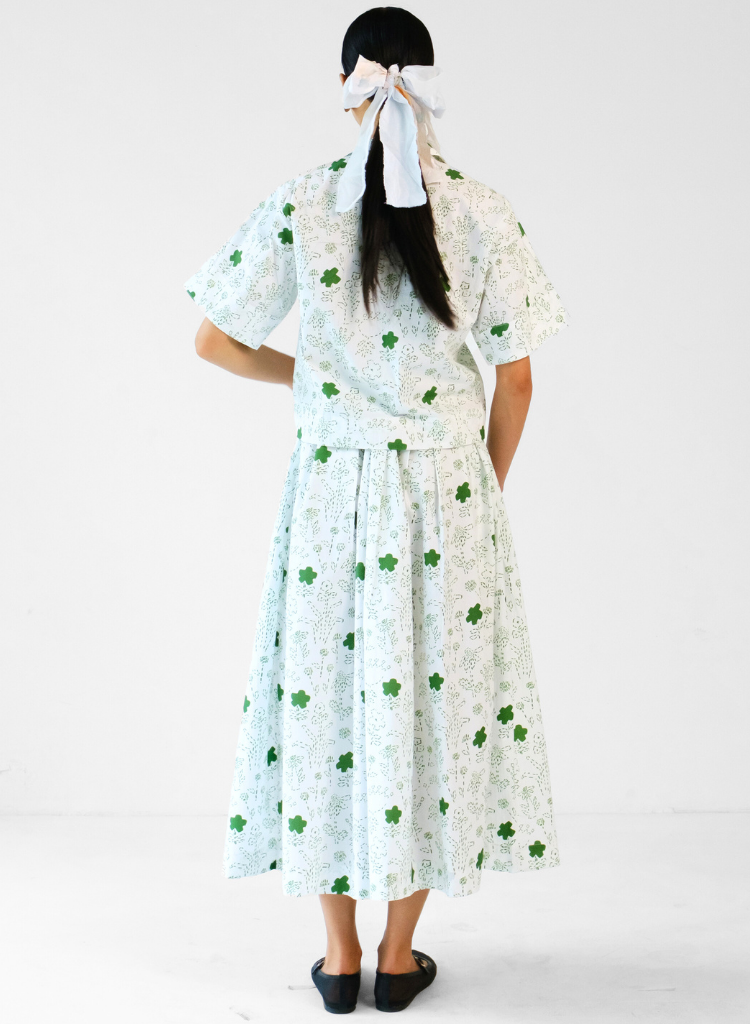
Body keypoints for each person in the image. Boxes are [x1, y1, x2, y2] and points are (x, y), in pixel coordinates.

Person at [184, 6, 568, 1014]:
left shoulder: (303, 205)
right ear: (432, 88)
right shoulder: (480, 210)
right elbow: (517, 380)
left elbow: (214, 341)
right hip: (447, 495)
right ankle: (400, 959)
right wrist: (484, 483)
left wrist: (316, 379)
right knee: (430, 718)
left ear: (347, 89)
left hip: (330, 496)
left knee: (325, 709)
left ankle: (338, 957)